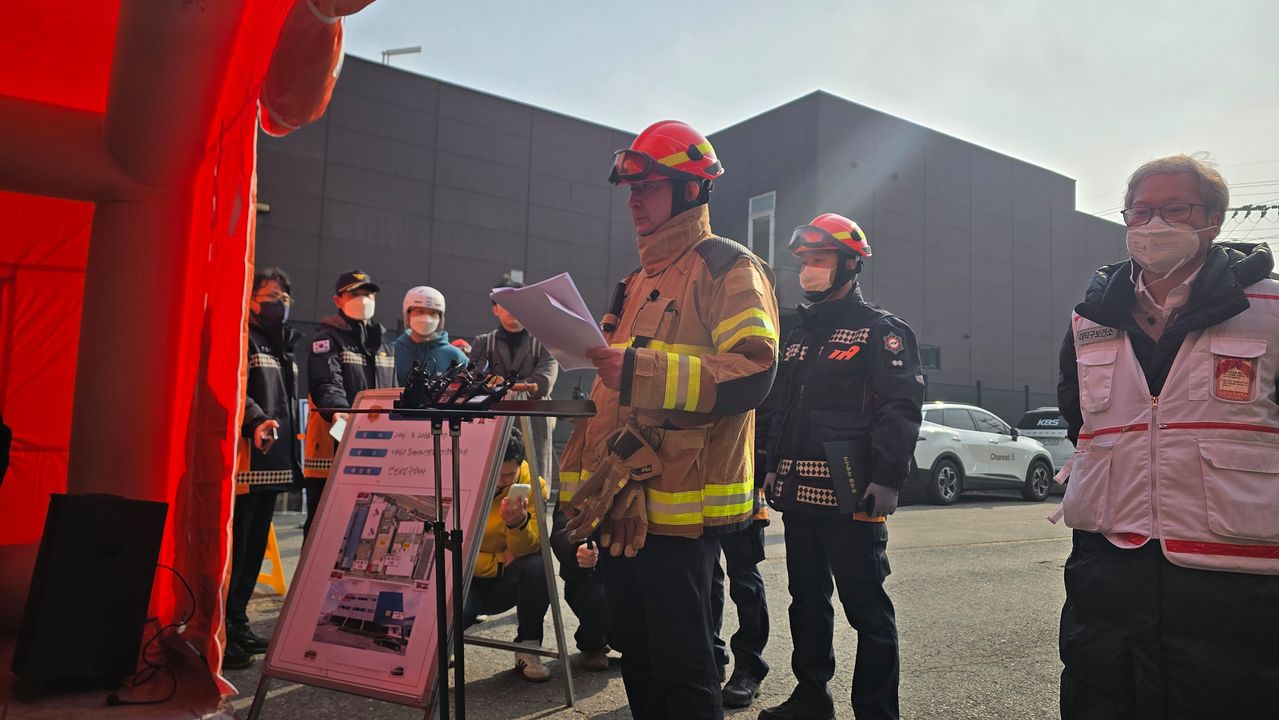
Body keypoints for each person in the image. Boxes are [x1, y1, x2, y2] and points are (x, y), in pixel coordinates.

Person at [561, 119, 780, 720]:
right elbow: (611, 394)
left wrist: (638, 370)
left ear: (691, 190)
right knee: (638, 655)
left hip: (682, 511)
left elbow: (754, 370)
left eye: (648, 188)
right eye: (630, 191)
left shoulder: (729, 268)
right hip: (620, 501)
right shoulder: (634, 282)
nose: (633, 201)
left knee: (684, 670)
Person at [1056, 154, 1279, 719]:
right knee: (1103, 696)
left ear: (1214, 221)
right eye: (1140, 211)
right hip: (1109, 565)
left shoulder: (1271, 309)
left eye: (1174, 209)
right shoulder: (1089, 318)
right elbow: (1080, 422)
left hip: (1234, 575)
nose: (1154, 225)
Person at [757, 213, 924, 720]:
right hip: (795, 490)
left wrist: (887, 479)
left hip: (853, 495)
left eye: (820, 259)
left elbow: (901, 408)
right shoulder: (795, 332)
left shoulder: (882, 332)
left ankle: (876, 713)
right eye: (805, 261)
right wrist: (767, 464)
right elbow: (775, 406)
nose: (808, 270)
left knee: (867, 611)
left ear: (850, 264)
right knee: (806, 600)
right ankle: (811, 699)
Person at [224, 267, 303, 669]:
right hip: (246, 462)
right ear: (253, 298)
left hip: (274, 463)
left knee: (254, 549)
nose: (281, 304)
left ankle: (237, 622)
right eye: (273, 296)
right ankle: (221, 630)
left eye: (286, 299)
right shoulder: (244, 337)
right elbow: (235, 384)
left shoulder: (282, 346)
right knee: (235, 550)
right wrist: (254, 421)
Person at [303, 269, 394, 536]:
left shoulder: (384, 345)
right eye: (355, 294)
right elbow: (325, 383)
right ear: (338, 300)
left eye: (368, 294)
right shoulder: (326, 340)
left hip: (375, 449)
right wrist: (340, 412)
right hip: (333, 445)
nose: (363, 299)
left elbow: (394, 392)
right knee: (324, 525)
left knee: (366, 527)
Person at [465, 428, 553, 682]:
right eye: (495, 473)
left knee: (539, 566)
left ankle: (528, 647)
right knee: (460, 611)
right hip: (466, 576)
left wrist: (518, 524)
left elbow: (531, 548)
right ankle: (440, 645)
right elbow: (454, 549)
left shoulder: (533, 486)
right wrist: (498, 563)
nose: (501, 481)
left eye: (508, 474)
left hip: (504, 581)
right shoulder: (461, 477)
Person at [469, 280, 560, 479]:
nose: (513, 310)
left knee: (536, 486)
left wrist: (497, 385)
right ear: (495, 309)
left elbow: (543, 384)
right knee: (488, 483)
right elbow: (474, 383)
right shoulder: (483, 343)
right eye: (506, 304)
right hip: (492, 425)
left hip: (533, 423)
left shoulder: (545, 342)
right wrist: (522, 386)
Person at [712, 487, 770, 707]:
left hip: (743, 496)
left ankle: (750, 667)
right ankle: (710, 658)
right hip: (700, 498)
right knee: (703, 581)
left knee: (745, 583)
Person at [550, 472, 613, 672]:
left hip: (634, 573)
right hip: (592, 577)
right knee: (597, 597)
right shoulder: (576, 477)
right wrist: (577, 548)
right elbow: (560, 531)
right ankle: (593, 643)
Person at [393, 285, 467, 385]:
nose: (426, 318)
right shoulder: (392, 351)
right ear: (408, 314)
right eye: (420, 311)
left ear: (441, 319)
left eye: (433, 313)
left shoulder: (456, 357)